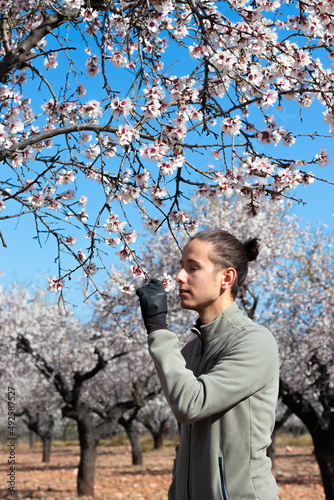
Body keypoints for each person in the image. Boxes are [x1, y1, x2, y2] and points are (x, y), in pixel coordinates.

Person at [136, 229, 279, 500]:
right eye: (181, 267)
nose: (179, 277)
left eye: (193, 268)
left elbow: (190, 405)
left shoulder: (254, 342)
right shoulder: (191, 350)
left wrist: (158, 329)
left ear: (226, 277)